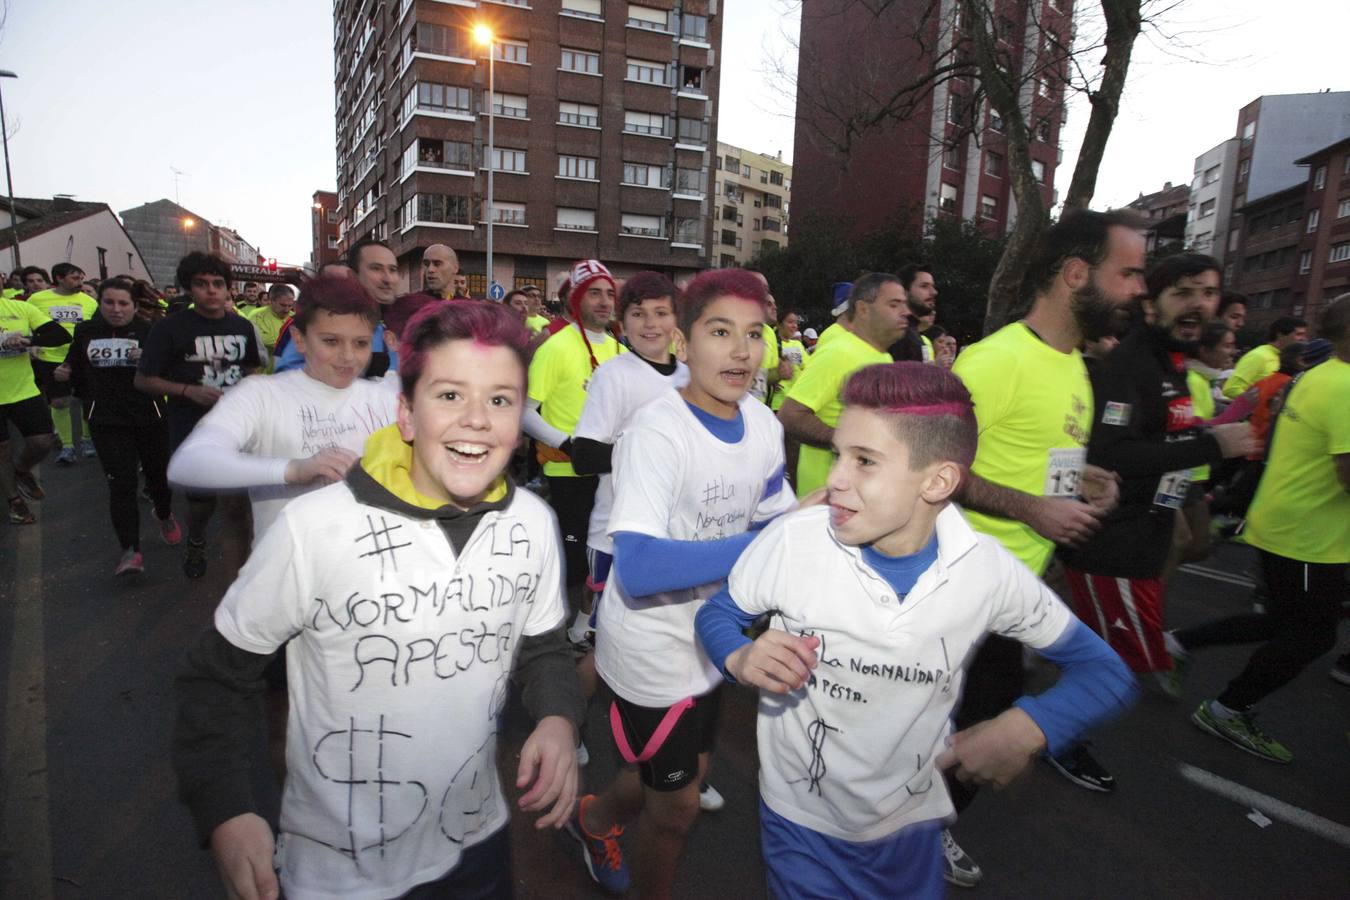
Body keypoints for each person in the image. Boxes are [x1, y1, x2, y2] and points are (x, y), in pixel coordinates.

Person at [171, 300, 583, 900]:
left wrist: (558, 718)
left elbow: (544, 646)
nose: (477, 420)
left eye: (499, 400)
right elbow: (213, 678)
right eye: (449, 396)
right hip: (344, 874)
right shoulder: (314, 527)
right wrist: (227, 811)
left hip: (480, 843)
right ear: (406, 415)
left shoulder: (533, 522)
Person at [694, 362, 1137, 900]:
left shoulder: (984, 571)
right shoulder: (795, 541)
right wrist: (739, 657)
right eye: (839, 454)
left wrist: (1027, 727)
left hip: (911, 827)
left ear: (939, 481)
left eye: (864, 461)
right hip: (799, 822)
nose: (834, 478)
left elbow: (1105, 671)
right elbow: (718, 615)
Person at [571, 269, 798, 898]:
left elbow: (776, 515)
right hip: (651, 649)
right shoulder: (656, 431)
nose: (741, 351)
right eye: (720, 331)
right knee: (676, 809)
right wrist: (765, 548)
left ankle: (592, 817)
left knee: (682, 777)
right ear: (687, 342)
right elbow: (639, 569)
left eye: (753, 334)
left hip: (711, 639)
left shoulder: (764, 424)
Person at [942, 208, 1135, 879]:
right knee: (972, 725)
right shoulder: (995, 361)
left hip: (1014, 591)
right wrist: (1032, 509)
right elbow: (931, 468)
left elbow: (1030, 456)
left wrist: (1086, 480)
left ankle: (911, 828)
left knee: (980, 724)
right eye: (1128, 273)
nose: (1138, 288)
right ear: (1076, 274)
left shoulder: (1075, 366)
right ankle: (901, 840)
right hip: (954, 591)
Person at [1058, 255, 1258, 704]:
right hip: (1113, 545)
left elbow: (1165, 437)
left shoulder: (1173, 361)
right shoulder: (1132, 364)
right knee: (1117, 670)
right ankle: (1047, 737)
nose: (1198, 304)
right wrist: (1214, 445)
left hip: (1145, 541)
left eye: (1208, 293)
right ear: (1151, 306)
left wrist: (1205, 437)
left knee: (1111, 664)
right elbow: (1113, 454)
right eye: (1182, 292)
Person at [1169, 293, 1350, 762]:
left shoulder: (1318, 375)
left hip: (1289, 521)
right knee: (1314, 635)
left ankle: (1180, 643)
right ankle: (1228, 709)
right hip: (1309, 535)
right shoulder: (1345, 386)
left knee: (1283, 622)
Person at [166, 274, 398, 546]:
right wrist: (293, 470)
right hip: (286, 572)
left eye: (361, 343)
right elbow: (188, 464)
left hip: (362, 570)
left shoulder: (383, 398)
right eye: (331, 341)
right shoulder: (260, 394)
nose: (348, 356)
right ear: (299, 339)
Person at [134, 252, 262, 578]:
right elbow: (144, 380)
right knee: (201, 502)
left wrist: (249, 390)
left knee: (235, 502)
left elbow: (250, 366)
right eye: (202, 284)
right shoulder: (169, 329)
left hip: (236, 426)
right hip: (190, 425)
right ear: (190, 289)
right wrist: (188, 391)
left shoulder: (242, 325)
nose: (211, 291)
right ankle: (196, 538)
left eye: (218, 283)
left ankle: (244, 574)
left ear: (228, 289)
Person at [55, 277, 181, 573]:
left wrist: (148, 361)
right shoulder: (85, 331)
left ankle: (164, 514)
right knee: (120, 484)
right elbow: (73, 365)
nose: (116, 309)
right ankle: (131, 550)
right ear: (99, 304)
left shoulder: (149, 332)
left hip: (148, 415)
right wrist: (64, 373)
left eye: (123, 303)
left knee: (158, 477)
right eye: (109, 302)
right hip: (107, 419)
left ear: (135, 306)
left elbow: (170, 370)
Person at [523, 260, 624, 621]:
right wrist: (568, 445)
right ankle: (558, 630)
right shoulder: (556, 346)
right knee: (573, 556)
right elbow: (525, 411)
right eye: (593, 293)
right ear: (576, 298)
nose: (603, 301)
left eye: (609, 294)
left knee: (606, 553)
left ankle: (585, 627)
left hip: (611, 475)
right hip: (568, 475)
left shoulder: (619, 350)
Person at [778, 273, 908, 497]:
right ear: (863, 309)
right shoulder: (840, 352)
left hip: (861, 499)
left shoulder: (883, 357)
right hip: (827, 503)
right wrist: (852, 443)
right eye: (893, 305)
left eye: (904, 304)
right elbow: (791, 415)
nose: (905, 312)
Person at [275, 238, 400, 376]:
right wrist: (360, 369)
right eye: (376, 268)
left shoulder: (393, 323)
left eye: (393, 270)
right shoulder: (322, 320)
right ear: (353, 276)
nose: (387, 279)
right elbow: (286, 375)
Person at [1, 290, 71, 524]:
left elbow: (59, 335)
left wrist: (29, 340)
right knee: (2, 451)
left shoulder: (19, 308)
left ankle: (21, 469)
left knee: (43, 442)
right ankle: (15, 502)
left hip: (23, 390)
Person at [26, 262, 99, 464]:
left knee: (86, 400)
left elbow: (95, 328)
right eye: (75, 278)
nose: (80, 282)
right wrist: (32, 344)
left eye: (81, 278)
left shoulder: (89, 302)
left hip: (82, 357)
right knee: (59, 402)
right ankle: (67, 446)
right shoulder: (36, 299)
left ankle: (87, 439)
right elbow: (28, 323)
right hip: (51, 357)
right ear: (59, 278)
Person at [1222, 315, 1306, 399]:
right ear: (1280, 335)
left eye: (1304, 335)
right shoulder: (1258, 356)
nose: (1303, 339)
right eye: (1299, 334)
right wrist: (1262, 403)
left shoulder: (1287, 358)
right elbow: (1231, 389)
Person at [888, 263, 939, 363]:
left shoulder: (911, 333)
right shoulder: (898, 335)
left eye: (933, 286)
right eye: (924, 286)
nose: (934, 292)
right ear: (904, 292)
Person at [243, 283, 295, 373]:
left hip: (286, 376)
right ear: (271, 301)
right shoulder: (256, 317)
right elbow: (258, 341)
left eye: (290, 306)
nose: (287, 309)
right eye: (283, 305)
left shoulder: (295, 319)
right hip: (263, 376)